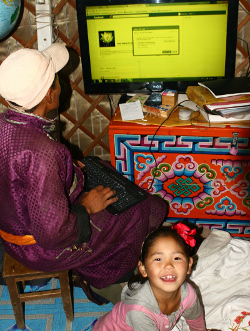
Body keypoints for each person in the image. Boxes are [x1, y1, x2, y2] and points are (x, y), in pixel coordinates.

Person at [0, 43, 168, 304]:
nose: (61, 84)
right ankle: (107, 282)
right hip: (40, 248)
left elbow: (16, 175)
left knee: (101, 168)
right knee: (135, 210)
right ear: (48, 96)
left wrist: (65, 169)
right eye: (57, 81)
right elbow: (52, 235)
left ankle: (104, 262)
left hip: (12, 229)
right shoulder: (44, 152)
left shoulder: (6, 124)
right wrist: (87, 209)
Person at [92, 222, 206, 330]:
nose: (168, 266)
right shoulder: (139, 311)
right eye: (158, 259)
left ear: (189, 265)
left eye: (177, 258)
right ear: (143, 269)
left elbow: (196, 322)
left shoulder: (188, 294)